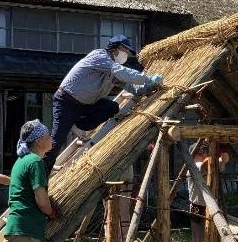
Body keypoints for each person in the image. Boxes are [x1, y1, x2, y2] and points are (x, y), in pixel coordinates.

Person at [43, 35, 163, 173]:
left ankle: (78, 125)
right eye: (124, 50)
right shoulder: (100, 56)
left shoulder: (113, 71)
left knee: (111, 107)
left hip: (86, 104)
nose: (126, 55)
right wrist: (147, 79)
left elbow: (130, 86)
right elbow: (122, 72)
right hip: (67, 101)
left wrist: (146, 88)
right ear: (115, 48)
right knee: (56, 142)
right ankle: (42, 174)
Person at [188, 141, 230, 242]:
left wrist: (222, 148)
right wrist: (213, 153)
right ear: (193, 156)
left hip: (213, 207)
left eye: (205, 151)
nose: (204, 154)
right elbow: (206, 163)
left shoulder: (211, 163)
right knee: (198, 241)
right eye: (201, 153)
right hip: (198, 207)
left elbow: (224, 160)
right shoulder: (193, 167)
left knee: (214, 240)